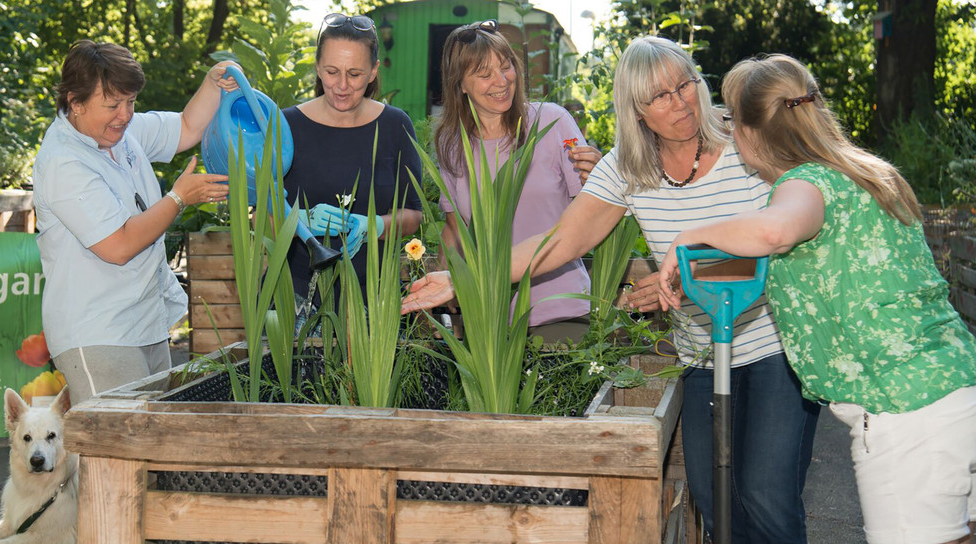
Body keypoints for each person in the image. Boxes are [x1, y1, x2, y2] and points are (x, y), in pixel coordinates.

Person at [402, 36, 819, 544]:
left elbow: (795, 237)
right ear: (637, 111)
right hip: (703, 356)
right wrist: (465, 278)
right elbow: (559, 242)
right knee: (714, 502)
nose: (681, 102)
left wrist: (687, 276)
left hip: (776, 346)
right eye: (659, 96)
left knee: (765, 499)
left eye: (685, 84)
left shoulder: (749, 143)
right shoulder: (628, 166)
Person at [658, 54, 976, 544]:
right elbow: (823, 274)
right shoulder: (867, 173)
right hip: (956, 388)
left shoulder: (805, 183)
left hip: (904, 413)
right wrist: (697, 271)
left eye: (731, 122)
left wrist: (687, 237)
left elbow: (776, 232)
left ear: (751, 133)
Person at [33, 41, 237, 404]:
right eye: (112, 105)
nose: (124, 115)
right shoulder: (64, 162)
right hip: (97, 332)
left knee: (147, 448)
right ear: (75, 102)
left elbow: (188, 127)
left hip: (143, 323)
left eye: (130, 102)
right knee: (115, 453)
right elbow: (119, 245)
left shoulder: (121, 134)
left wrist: (213, 83)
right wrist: (178, 198)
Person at [434, 19, 602, 343]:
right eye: (484, 74)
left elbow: (590, 213)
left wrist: (599, 180)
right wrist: (442, 297)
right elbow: (455, 229)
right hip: (486, 314)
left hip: (558, 311)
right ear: (461, 84)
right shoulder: (452, 145)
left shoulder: (553, 122)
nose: (502, 80)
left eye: (506, 65)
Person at [281, 13, 422, 308]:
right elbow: (263, 219)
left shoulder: (395, 125)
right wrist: (300, 222)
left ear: (373, 72)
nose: (342, 85)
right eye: (332, 71)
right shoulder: (285, 126)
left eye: (355, 74)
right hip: (298, 297)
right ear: (318, 67)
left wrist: (373, 225)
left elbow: (413, 216)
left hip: (375, 298)